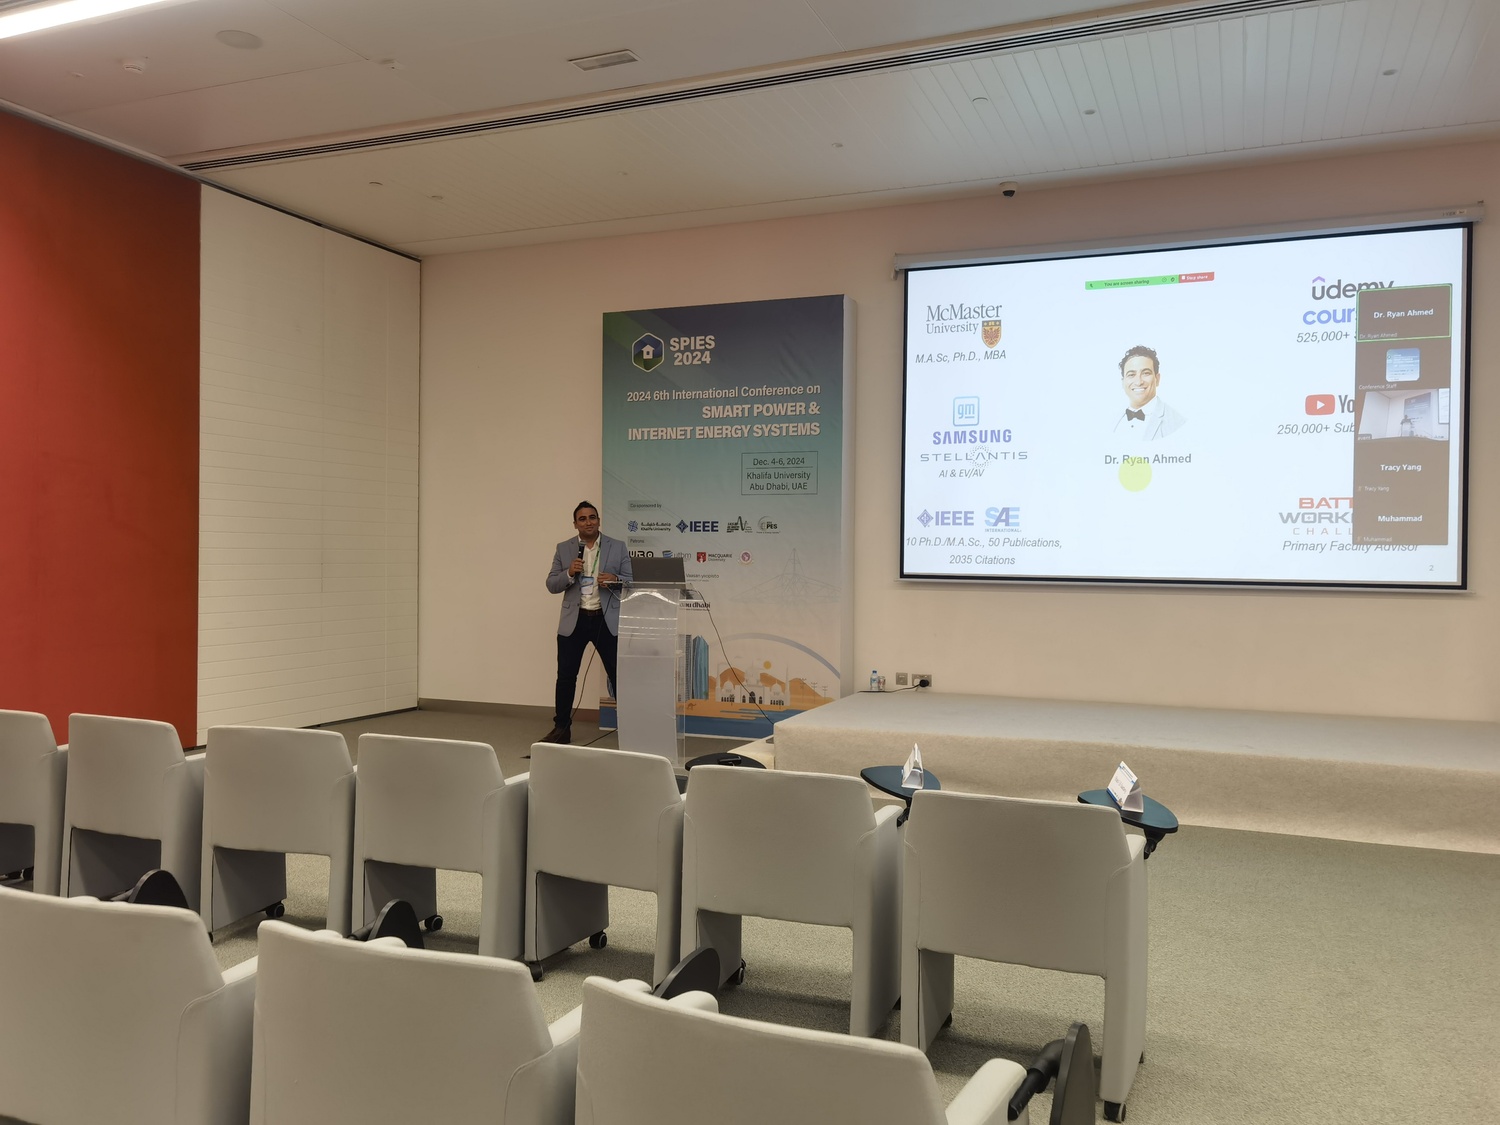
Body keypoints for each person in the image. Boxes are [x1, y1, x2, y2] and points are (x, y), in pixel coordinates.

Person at [543, 501, 632, 744]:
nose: (588, 522)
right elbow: (551, 584)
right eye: (582, 519)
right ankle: (561, 729)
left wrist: (615, 579)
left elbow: (631, 581)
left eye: (592, 517)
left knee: (618, 676)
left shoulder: (617, 546)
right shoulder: (564, 549)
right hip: (575, 621)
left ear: (599, 521)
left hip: (606, 619)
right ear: (575, 524)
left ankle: (630, 728)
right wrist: (569, 573)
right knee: (566, 677)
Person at [1112, 345, 1186, 440]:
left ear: (1157, 379)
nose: (1138, 382)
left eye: (1146, 373)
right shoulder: (1113, 420)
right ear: (1123, 382)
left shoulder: (1176, 423)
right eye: (1131, 374)